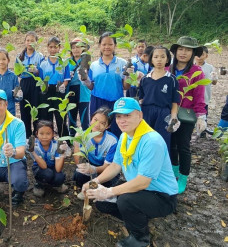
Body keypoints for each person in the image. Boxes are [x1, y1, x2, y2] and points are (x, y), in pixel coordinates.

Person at [82, 97, 178, 247]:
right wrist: (95, 182)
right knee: (102, 203)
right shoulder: (125, 137)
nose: (122, 120)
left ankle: (141, 238)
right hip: (142, 191)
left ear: (139, 115)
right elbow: (115, 166)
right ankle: (139, 217)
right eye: (119, 116)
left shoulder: (151, 141)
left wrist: (109, 191)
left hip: (162, 196)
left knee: (125, 201)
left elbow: (143, 182)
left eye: (127, 115)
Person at [169, 36, 207, 193]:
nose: (183, 53)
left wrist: (201, 117)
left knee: (183, 146)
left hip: (185, 116)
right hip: (170, 115)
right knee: (171, 145)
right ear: (176, 51)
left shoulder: (196, 73)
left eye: (188, 50)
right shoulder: (167, 69)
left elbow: (199, 96)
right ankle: (174, 172)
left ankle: (183, 177)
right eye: (181, 49)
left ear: (193, 54)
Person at [81, 32, 131, 137]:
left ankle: (115, 151)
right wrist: (85, 80)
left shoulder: (122, 63)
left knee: (116, 128)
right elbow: (91, 86)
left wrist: (128, 76)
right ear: (99, 46)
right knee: (97, 128)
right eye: (104, 44)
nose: (107, 47)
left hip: (116, 102)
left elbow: (125, 86)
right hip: (97, 101)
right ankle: (97, 151)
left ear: (115, 46)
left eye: (110, 44)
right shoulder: (94, 65)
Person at [139, 46, 180, 150]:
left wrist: (173, 117)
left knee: (162, 141)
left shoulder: (171, 79)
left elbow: (175, 101)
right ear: (151, 59)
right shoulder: (145, 79)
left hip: (164, 113)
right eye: (156, 57)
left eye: (162, 57)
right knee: (145, 140)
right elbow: (141, 99)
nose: (159, 60)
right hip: (146, 112)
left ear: (167, 59)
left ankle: (162, 165)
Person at [74, 107, 118, 199]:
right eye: (95, 120)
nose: (97, 124)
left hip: (105, 169)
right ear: (91, 120)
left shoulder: (112, 141)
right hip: (89, 165)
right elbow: (78, 162)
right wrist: (76, 144)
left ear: (108, 126)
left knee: (111, 180)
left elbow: (107, 167)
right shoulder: (83, 136)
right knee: (79, 174)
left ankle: (93, 190)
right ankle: (89, 190)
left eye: (103, 123)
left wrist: (94, 169)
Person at [27, 120, 69, 197]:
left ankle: (55, 185)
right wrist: (33, 152)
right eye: (41, 134)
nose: (44, 137)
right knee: (47, 173)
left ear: (53, 134)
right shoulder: (35, 146)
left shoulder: (56, 145)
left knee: (60, 177)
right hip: (39, 169)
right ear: (37, 134)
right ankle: (39, 185)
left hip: (53, 168)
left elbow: (58, 169)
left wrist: (62, 153)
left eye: (48, 134)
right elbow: (44, 166)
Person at [16, 31, 45, 138]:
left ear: (36, 43)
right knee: (24, 109)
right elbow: (17, 72)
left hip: (36, 83)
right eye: (28, 40)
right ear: (24, 42)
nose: (30, 43)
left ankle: (36, 134)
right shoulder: (19, 57)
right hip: (24, 83)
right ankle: (27, 135)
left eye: (32, 41)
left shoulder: (40, 56)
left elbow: (42, 72)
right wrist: (23, 70)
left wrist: (36, 71)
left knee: (36, 109)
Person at [67, 38, 91, 137]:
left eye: (78, 47)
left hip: (83, 91)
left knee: (84, 117)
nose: (76, 50)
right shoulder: (67, 62)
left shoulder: (86, 60)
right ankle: (72, 138)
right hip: (71, 90)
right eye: (73, 48)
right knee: (71, 116)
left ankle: (86, 140)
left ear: (83, 49)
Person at [0, 49, 23, 116]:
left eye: (4, 59)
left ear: (8, 60)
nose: (1, 62)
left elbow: (18, 97)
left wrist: (18, 94)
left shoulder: (13, 76)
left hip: (10, 110)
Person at [194, 46, 218, 137]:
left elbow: (214, 82)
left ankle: (202, 132)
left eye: (202, 54)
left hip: (204, 97)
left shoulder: (210, 68)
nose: (199, 56)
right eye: (197, 54)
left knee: (204, 115)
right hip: (192, 97)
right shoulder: (191, 67)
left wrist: (214, 78)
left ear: (206, 56)